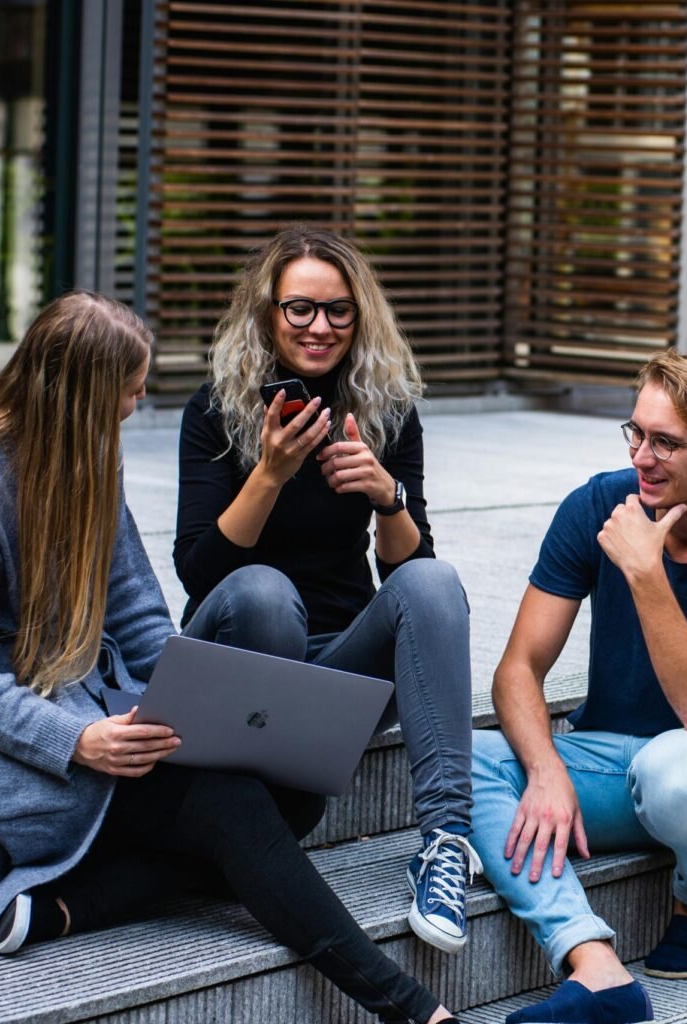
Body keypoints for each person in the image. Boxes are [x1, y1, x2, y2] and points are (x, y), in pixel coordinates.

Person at [0, 292, 464, 1024]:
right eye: (128, 393)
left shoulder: (87, 458)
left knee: (295, 798)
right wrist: (78, 740)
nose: (133, 408)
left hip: (103, 715)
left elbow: (136, 613)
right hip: (14, 747)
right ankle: (410, 1007)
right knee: (233, 807)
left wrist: (185, 702)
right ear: (80, 392)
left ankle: (73, 905)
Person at [469, 351, 687, 1024]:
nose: (642, 456)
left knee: (676, 769)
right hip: (608, 758)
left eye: (664, 442)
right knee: (463, 757)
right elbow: (518, 667)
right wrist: (544, 770)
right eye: (635, 433)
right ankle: (593, 965)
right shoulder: (598, 504)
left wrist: (646, 572)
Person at [174, 224, 480, 954]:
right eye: (299, 309)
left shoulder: (387, 410)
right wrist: (270, 473)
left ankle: (445, 845)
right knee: (263, 593)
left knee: (436, 583)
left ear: (360, 315)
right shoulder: (215, 411)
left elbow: (411, 578)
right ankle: (257, 813)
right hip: (240, 656)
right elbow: (199, 572)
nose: (320, 327)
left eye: (338, 310)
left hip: (337, 671)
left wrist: (387, 497)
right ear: (267, 313)